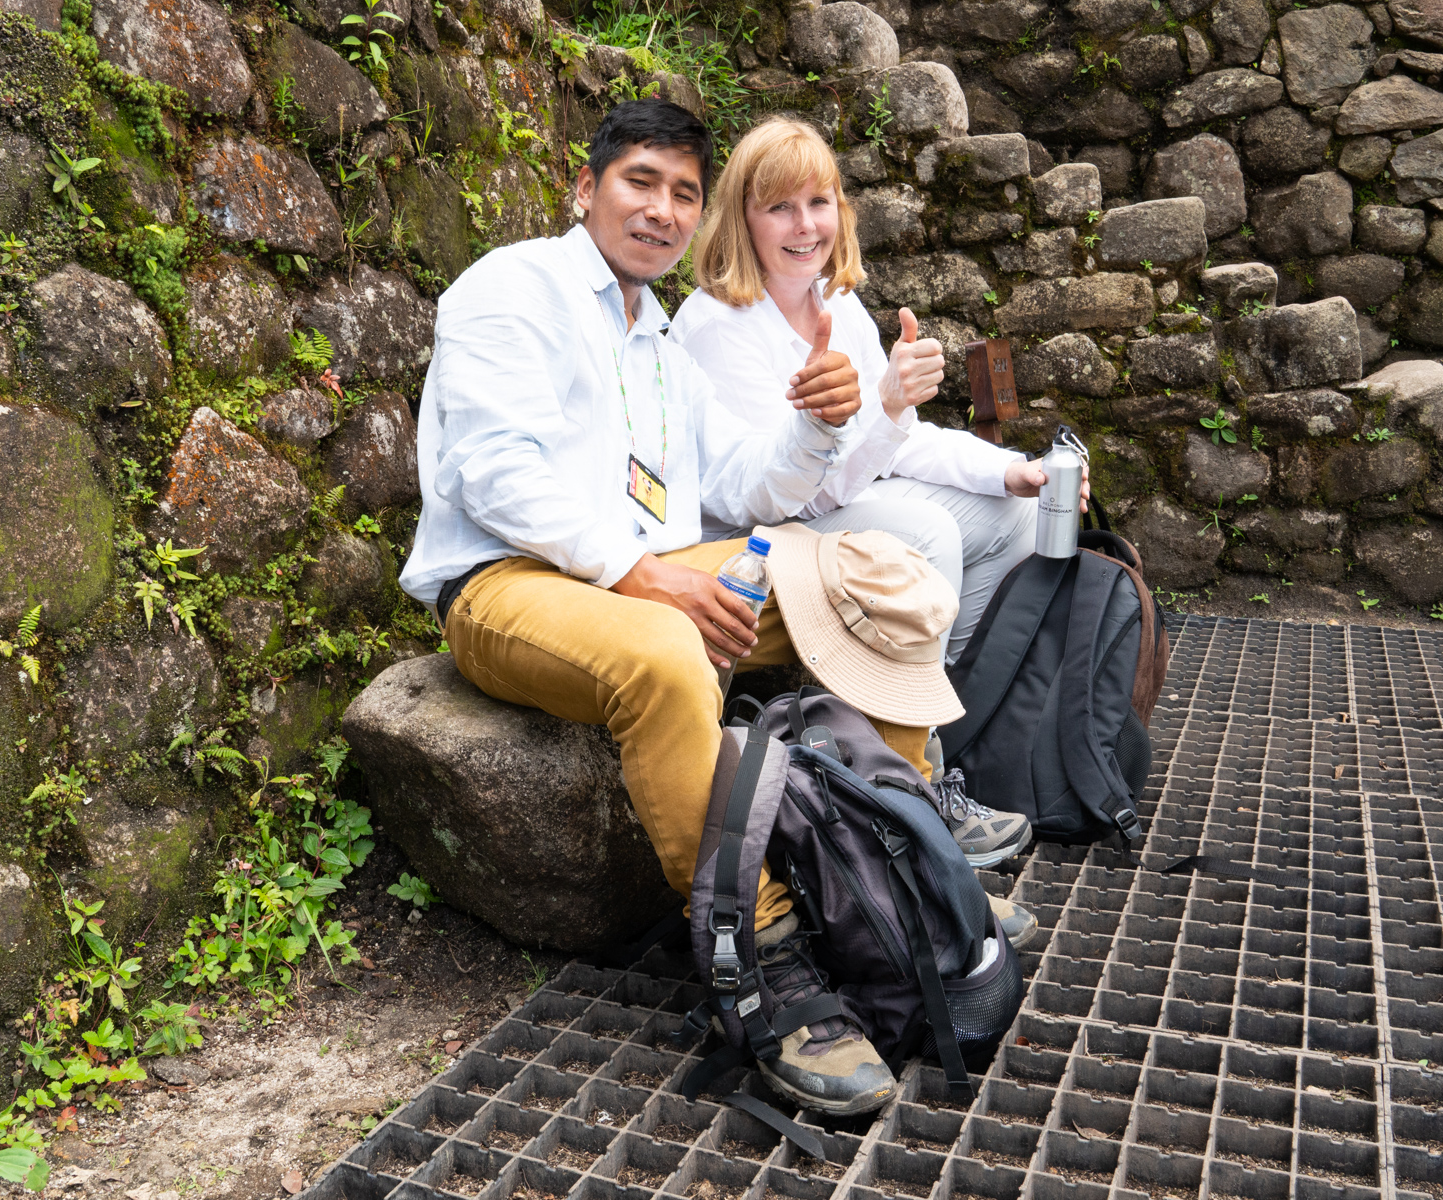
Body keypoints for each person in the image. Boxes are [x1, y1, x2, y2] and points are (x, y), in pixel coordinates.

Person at [398, 100, 1031, 1117]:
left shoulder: (657, 336)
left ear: (698, 217)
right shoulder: (512, 288)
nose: (659, 209)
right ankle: (765, 965)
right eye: (638, 181)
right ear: (586, 185)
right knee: (660, 648)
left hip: (675, 563)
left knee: (877, 566)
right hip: (510, 586)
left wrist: (823, 423)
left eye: (682, 193)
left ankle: (906, 861)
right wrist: (642, 575)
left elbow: (746, 480)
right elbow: (492, 475)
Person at [670, 115, 1087, 858]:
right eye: (780, 207)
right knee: (923, 537)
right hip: (746, 544)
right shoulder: (716, 326)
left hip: (820, 511)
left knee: (1012, 516)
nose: (806, 226)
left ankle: (934, 723)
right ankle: (915, 782)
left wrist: (1009, 470)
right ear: (743, 219)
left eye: (819, 202)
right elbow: (792, 495)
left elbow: (901, 444)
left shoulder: (835, 306)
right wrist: (888, 409)